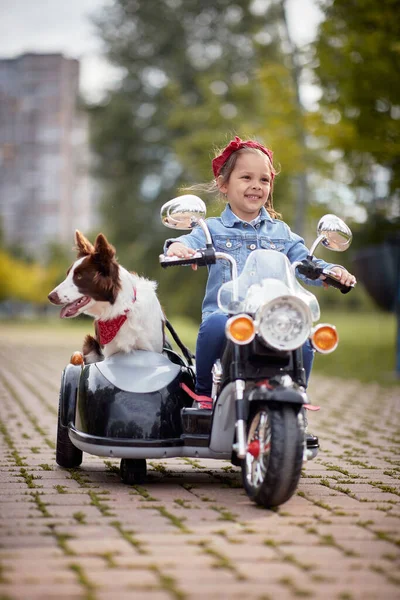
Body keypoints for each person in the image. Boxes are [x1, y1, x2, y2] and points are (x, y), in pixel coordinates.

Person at [164, 136, 356, 399]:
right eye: (246, 178)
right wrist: (177, 247)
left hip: (273, 318)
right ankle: (205, 396)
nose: (256, 186)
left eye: (264, 180)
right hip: (229, 315)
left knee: (305, 337)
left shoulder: (281, 232)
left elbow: (304, 263)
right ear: (223, 184)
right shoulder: (212, 229)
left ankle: (296, 396)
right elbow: (188, 240)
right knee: (214, 325)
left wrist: (331, 271)